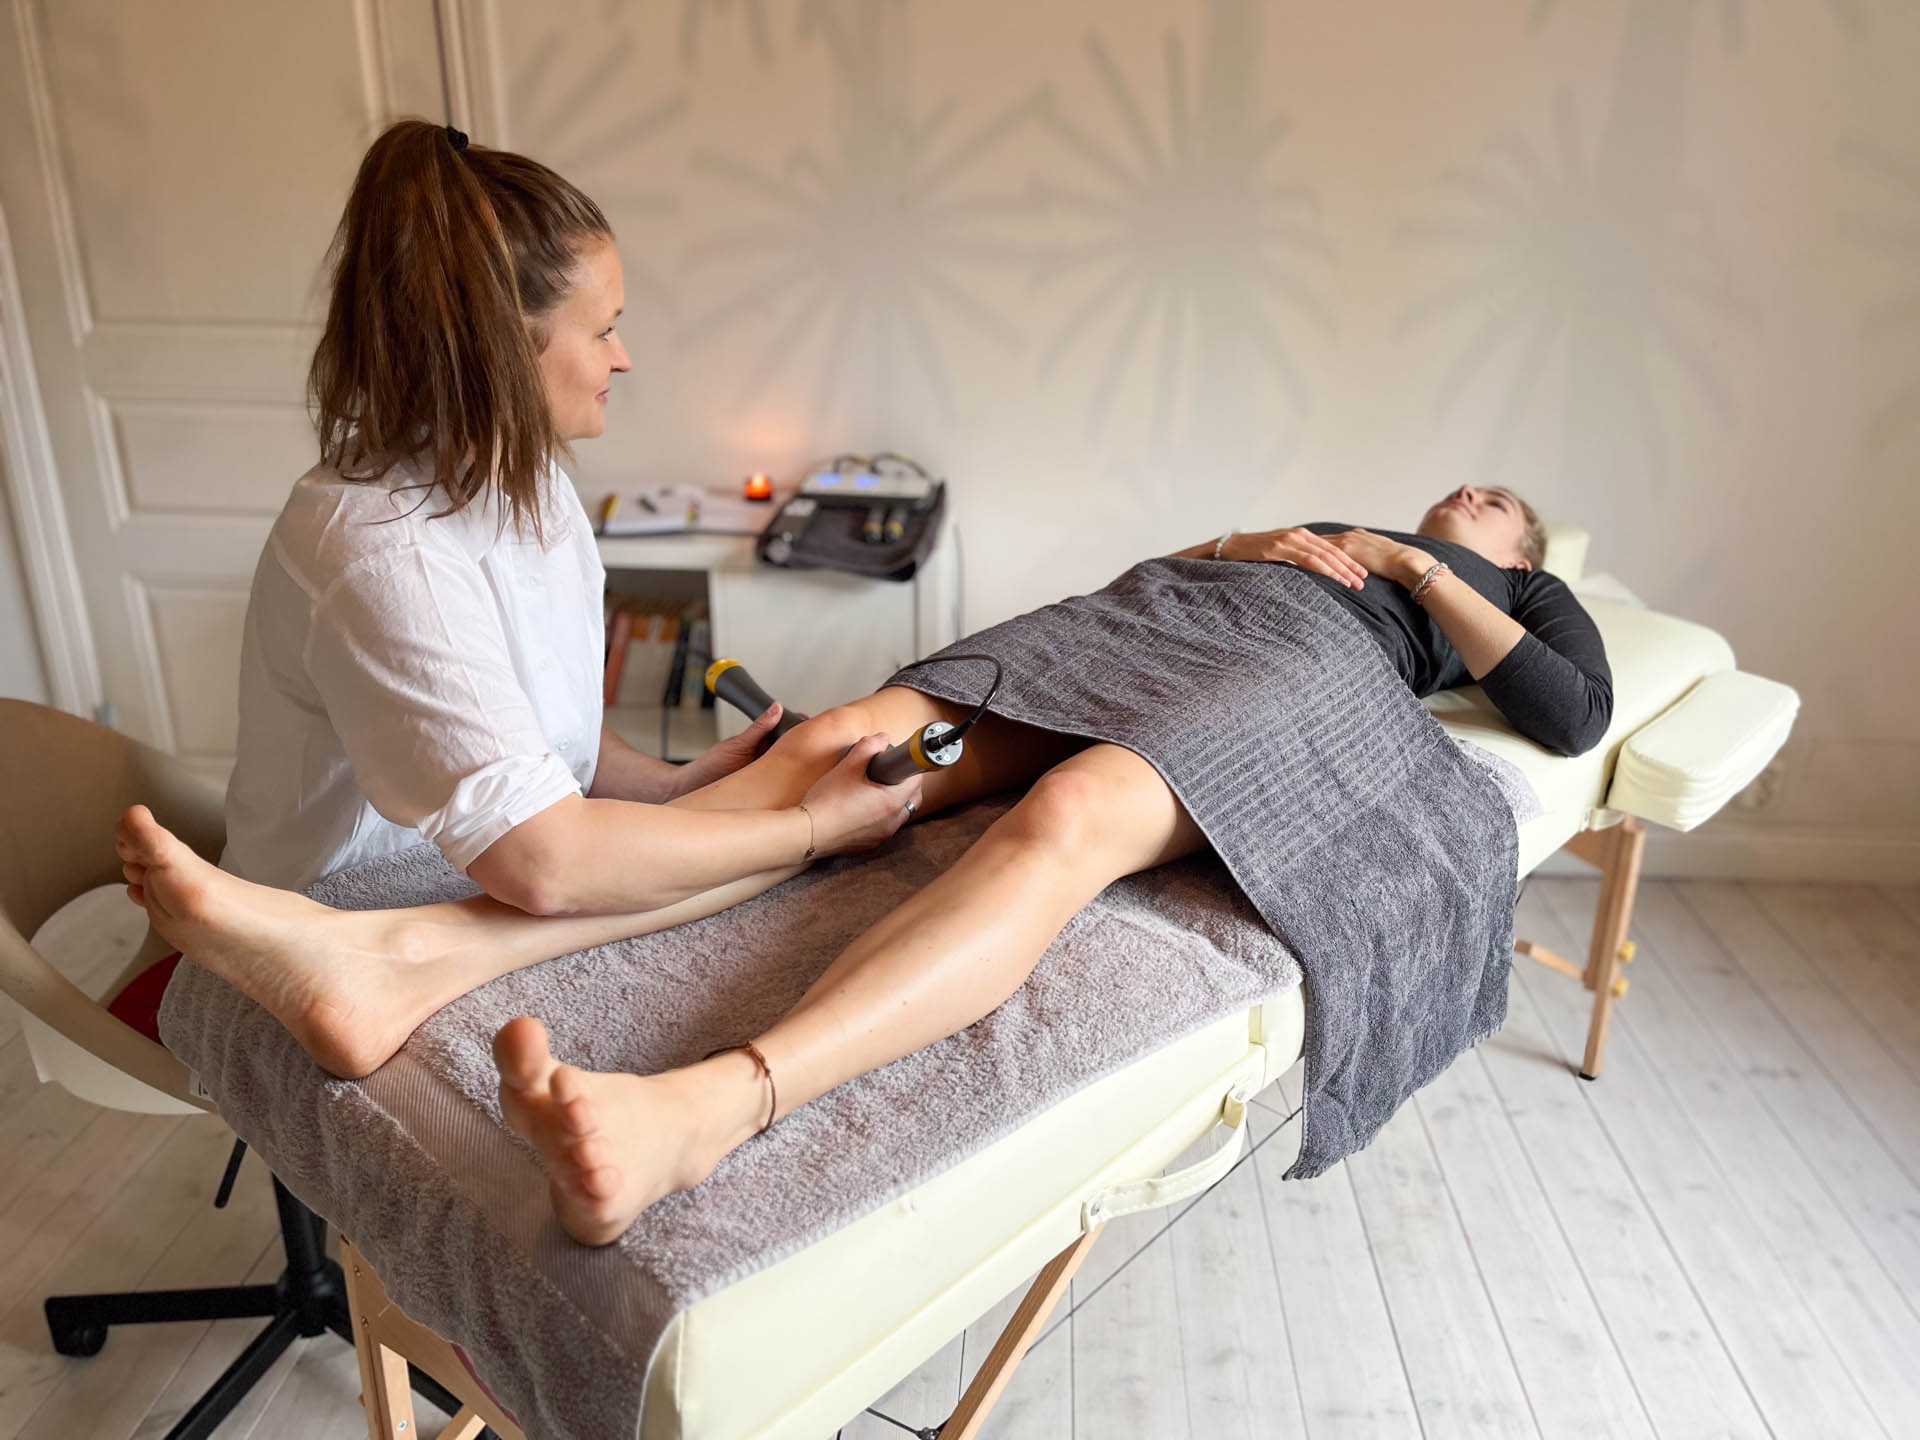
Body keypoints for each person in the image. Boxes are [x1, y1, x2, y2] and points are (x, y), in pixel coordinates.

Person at [118, 479, 1610, 1244]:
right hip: (1147, 632)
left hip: (1283, 692)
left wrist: (1418, 572)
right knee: (857, 757)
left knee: (1068, 816)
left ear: (1524, 551)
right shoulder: (1324, 522)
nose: (1466, 486)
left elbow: (1570, 709)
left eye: (1497, 495)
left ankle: (709, 1107)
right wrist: (1246, 539)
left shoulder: (1499, 593)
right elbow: (1178, 569)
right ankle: (403, 954)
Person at [103, 120, 929, 1050]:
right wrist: (814, 829)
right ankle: (295, 950)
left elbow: (551, 737)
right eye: (603, 330)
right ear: (501, 347)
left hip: (484, 870)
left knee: (755, 844)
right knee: (754, 873)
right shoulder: (381, 553)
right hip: (352, 903)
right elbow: (544, 866)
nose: (624, 357)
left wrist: (675, 786)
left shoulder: (530, 482)